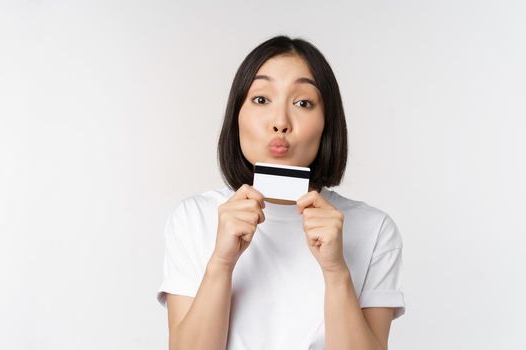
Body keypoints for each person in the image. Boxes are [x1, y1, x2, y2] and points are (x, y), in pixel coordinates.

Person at [156, 35, 405, 350]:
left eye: (303, 103)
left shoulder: (374, 229)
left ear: (327, 123)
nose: (280, 122)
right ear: (237, 114)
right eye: (261, 99)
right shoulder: (194, 218)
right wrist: (221, 262)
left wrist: (336, 270)